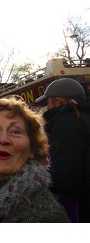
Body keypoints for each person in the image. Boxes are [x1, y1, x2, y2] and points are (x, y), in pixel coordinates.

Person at [35, 78, 90, 222]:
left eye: (48, 102)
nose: (47, 108)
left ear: (58, 102)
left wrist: (33, 173)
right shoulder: (83, 118)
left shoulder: (66, 124)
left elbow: (65, 180)